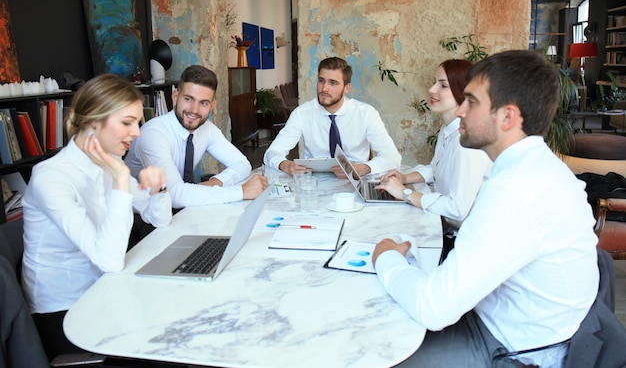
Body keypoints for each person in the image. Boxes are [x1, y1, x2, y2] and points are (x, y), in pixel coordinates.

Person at [373, 50, 599, 367]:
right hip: (509, 321)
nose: (461, 111)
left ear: (507, 117)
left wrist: (387, 258)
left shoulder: (516, 191)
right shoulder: (531, 168)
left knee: (378, 352)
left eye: (472, 102)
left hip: (512, 349)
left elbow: (433, 307)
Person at [21, 74, 173, 360]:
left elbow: (160, 220)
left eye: (138, 123)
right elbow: (110, 260)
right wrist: (119, 179)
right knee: (161, 350)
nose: (137, 132)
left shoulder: (111, 163)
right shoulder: (51, 178)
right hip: (64, 312)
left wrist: (160, 188)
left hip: (106, 291)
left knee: (173, 330)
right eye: (127, 122)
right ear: (94, 121)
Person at [125, 65, 268, 208]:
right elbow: (174, 195)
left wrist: (214, 183)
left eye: (203, 103)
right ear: (175, 97)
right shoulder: (153, 134)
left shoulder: (206, 129)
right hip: (141, 220)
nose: (194, 110)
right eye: (188, 99)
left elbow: (242, 164)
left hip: (179, 211)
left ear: (212, 106)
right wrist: (242, 191)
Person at [376, 59, 491, 228]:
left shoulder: (468, 143)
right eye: (434, 82)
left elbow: (457, 209)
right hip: (445, 224)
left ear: (464, 92)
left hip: (467, 238)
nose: (431, 89)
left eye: (443, 85)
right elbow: (437, 168)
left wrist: (405, 193)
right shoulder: (447, 130)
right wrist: (405, 177)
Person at [263, 56, 401, 177]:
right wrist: (286, 165)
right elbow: (272, 153)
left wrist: (364, 168)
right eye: (321, 80)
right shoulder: (302, 113)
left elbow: (392, 157)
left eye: (333, 83)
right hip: (314, 183)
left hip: (356, 180)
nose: (324, 89)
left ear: (347, 88)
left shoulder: (365, 113)